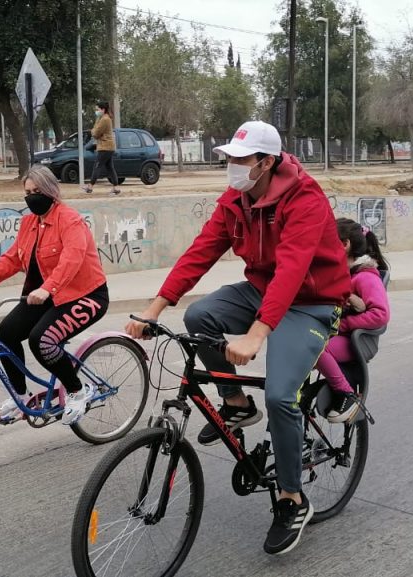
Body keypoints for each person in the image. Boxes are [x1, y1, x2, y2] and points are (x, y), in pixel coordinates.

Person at [124, 121, 351, 555]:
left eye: (240, 160)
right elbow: (201, 252)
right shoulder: (235, 199)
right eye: (229, 158)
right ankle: (236, 404)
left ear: (267, 162)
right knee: (201, 315)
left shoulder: (305, 198)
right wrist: (154, 308)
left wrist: (255, 335)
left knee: (282, 398)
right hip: (262, 290)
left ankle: (291, 497)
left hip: (312, 301)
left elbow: (292, 270)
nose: (231, 166)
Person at [0, 166, 109, 425]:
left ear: (51, 191)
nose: (32, 197)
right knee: (7, 333)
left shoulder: (70, 220)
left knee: (42, 341)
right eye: (28, 192)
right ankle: (21, 396)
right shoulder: (29, 224)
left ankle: (78, 391)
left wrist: (47, 288)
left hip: (85, 295)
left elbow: (72, 259)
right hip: (47, 296)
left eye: (37, 191)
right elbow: (12, 257)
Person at [315, 218, 391, 423]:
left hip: (357, 341)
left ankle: (346, 394)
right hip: (342, 336)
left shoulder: (365, 277)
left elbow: (380, 315)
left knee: (314, 348)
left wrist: (343, 325)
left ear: (345, 245)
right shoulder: (344, 274)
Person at [82, 101, 120, 195]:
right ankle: (116, 188)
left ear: (103, 109)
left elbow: (95, 133)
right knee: (110, 167)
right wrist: (97, 121)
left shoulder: (104, 120)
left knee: (97, 166)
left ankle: (90, 186)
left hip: (105, 147)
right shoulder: (104, 118)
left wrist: (93, 130)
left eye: (97, 109)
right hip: (108, 147)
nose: (96, 111)